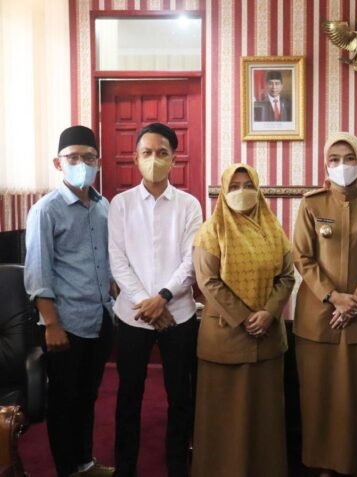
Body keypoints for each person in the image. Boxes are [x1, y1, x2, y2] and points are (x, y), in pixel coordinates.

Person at [292, 132, 357, 477]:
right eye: (334, 159)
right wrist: (333, 297)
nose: (342, 165)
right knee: (320, 396)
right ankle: (324, 464)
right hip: (319, 316)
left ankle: (356, 463)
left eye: (349, 158)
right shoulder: (312, 204)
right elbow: (302, 257)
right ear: (325, 164)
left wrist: (356, 301)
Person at [108, 123, 202, 477]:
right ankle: (125, 467)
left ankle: (177, 465)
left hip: (178, 314)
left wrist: (162, 298)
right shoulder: (121, 204)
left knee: (180, 396)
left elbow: (190, 261)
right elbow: (118, 261)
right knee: (129, 395)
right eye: (146, 153)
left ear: (174, 159)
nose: (154, 159)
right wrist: (146, 303)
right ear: (135, 158)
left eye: (162, 153)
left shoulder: (189, 205)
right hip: (133, 316)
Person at [191, 163, 294, 477]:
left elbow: (287, 276)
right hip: (225, 340)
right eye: (234, 187)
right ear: (223, 191)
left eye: (248, 185)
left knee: (264, 418)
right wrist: (246, 317)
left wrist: (269, 313)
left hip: (268, 338)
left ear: (258, 189)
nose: (241, 192)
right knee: (224, 419)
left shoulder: (273, 229)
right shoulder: (212, 231)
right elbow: (208, 281)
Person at [24, 125, 115, 477]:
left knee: (88, 396)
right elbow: (37, 272)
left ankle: (85, 462)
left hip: (101, 317)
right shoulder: (45, 210)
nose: (81, 164)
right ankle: (68, 469)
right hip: (65, 323)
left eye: (89, 158)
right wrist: (51, 324)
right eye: (73, 157)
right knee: (64, 400)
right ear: (58, 163)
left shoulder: (104, 207)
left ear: (99, 163)